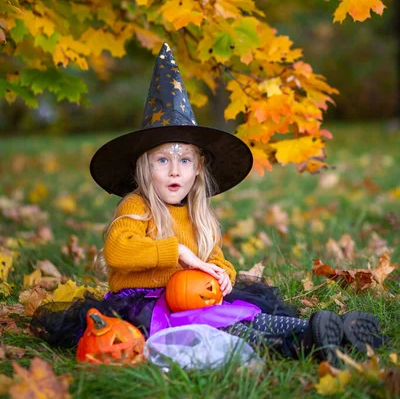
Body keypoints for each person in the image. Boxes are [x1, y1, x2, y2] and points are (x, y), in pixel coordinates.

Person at [31, 43, 384, 364]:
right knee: (228, 331)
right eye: (162, 160)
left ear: (198, 169)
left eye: (184, 160)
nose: (174, 171)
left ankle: (329, 330)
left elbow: (215, 259)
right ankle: (307, 343)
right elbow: (118, 250)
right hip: (150, 307)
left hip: (197, 299)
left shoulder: (196, 215)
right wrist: (180, 255)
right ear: (144, 166)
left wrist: (224, 276)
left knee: (247, 312)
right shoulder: (136, 206)